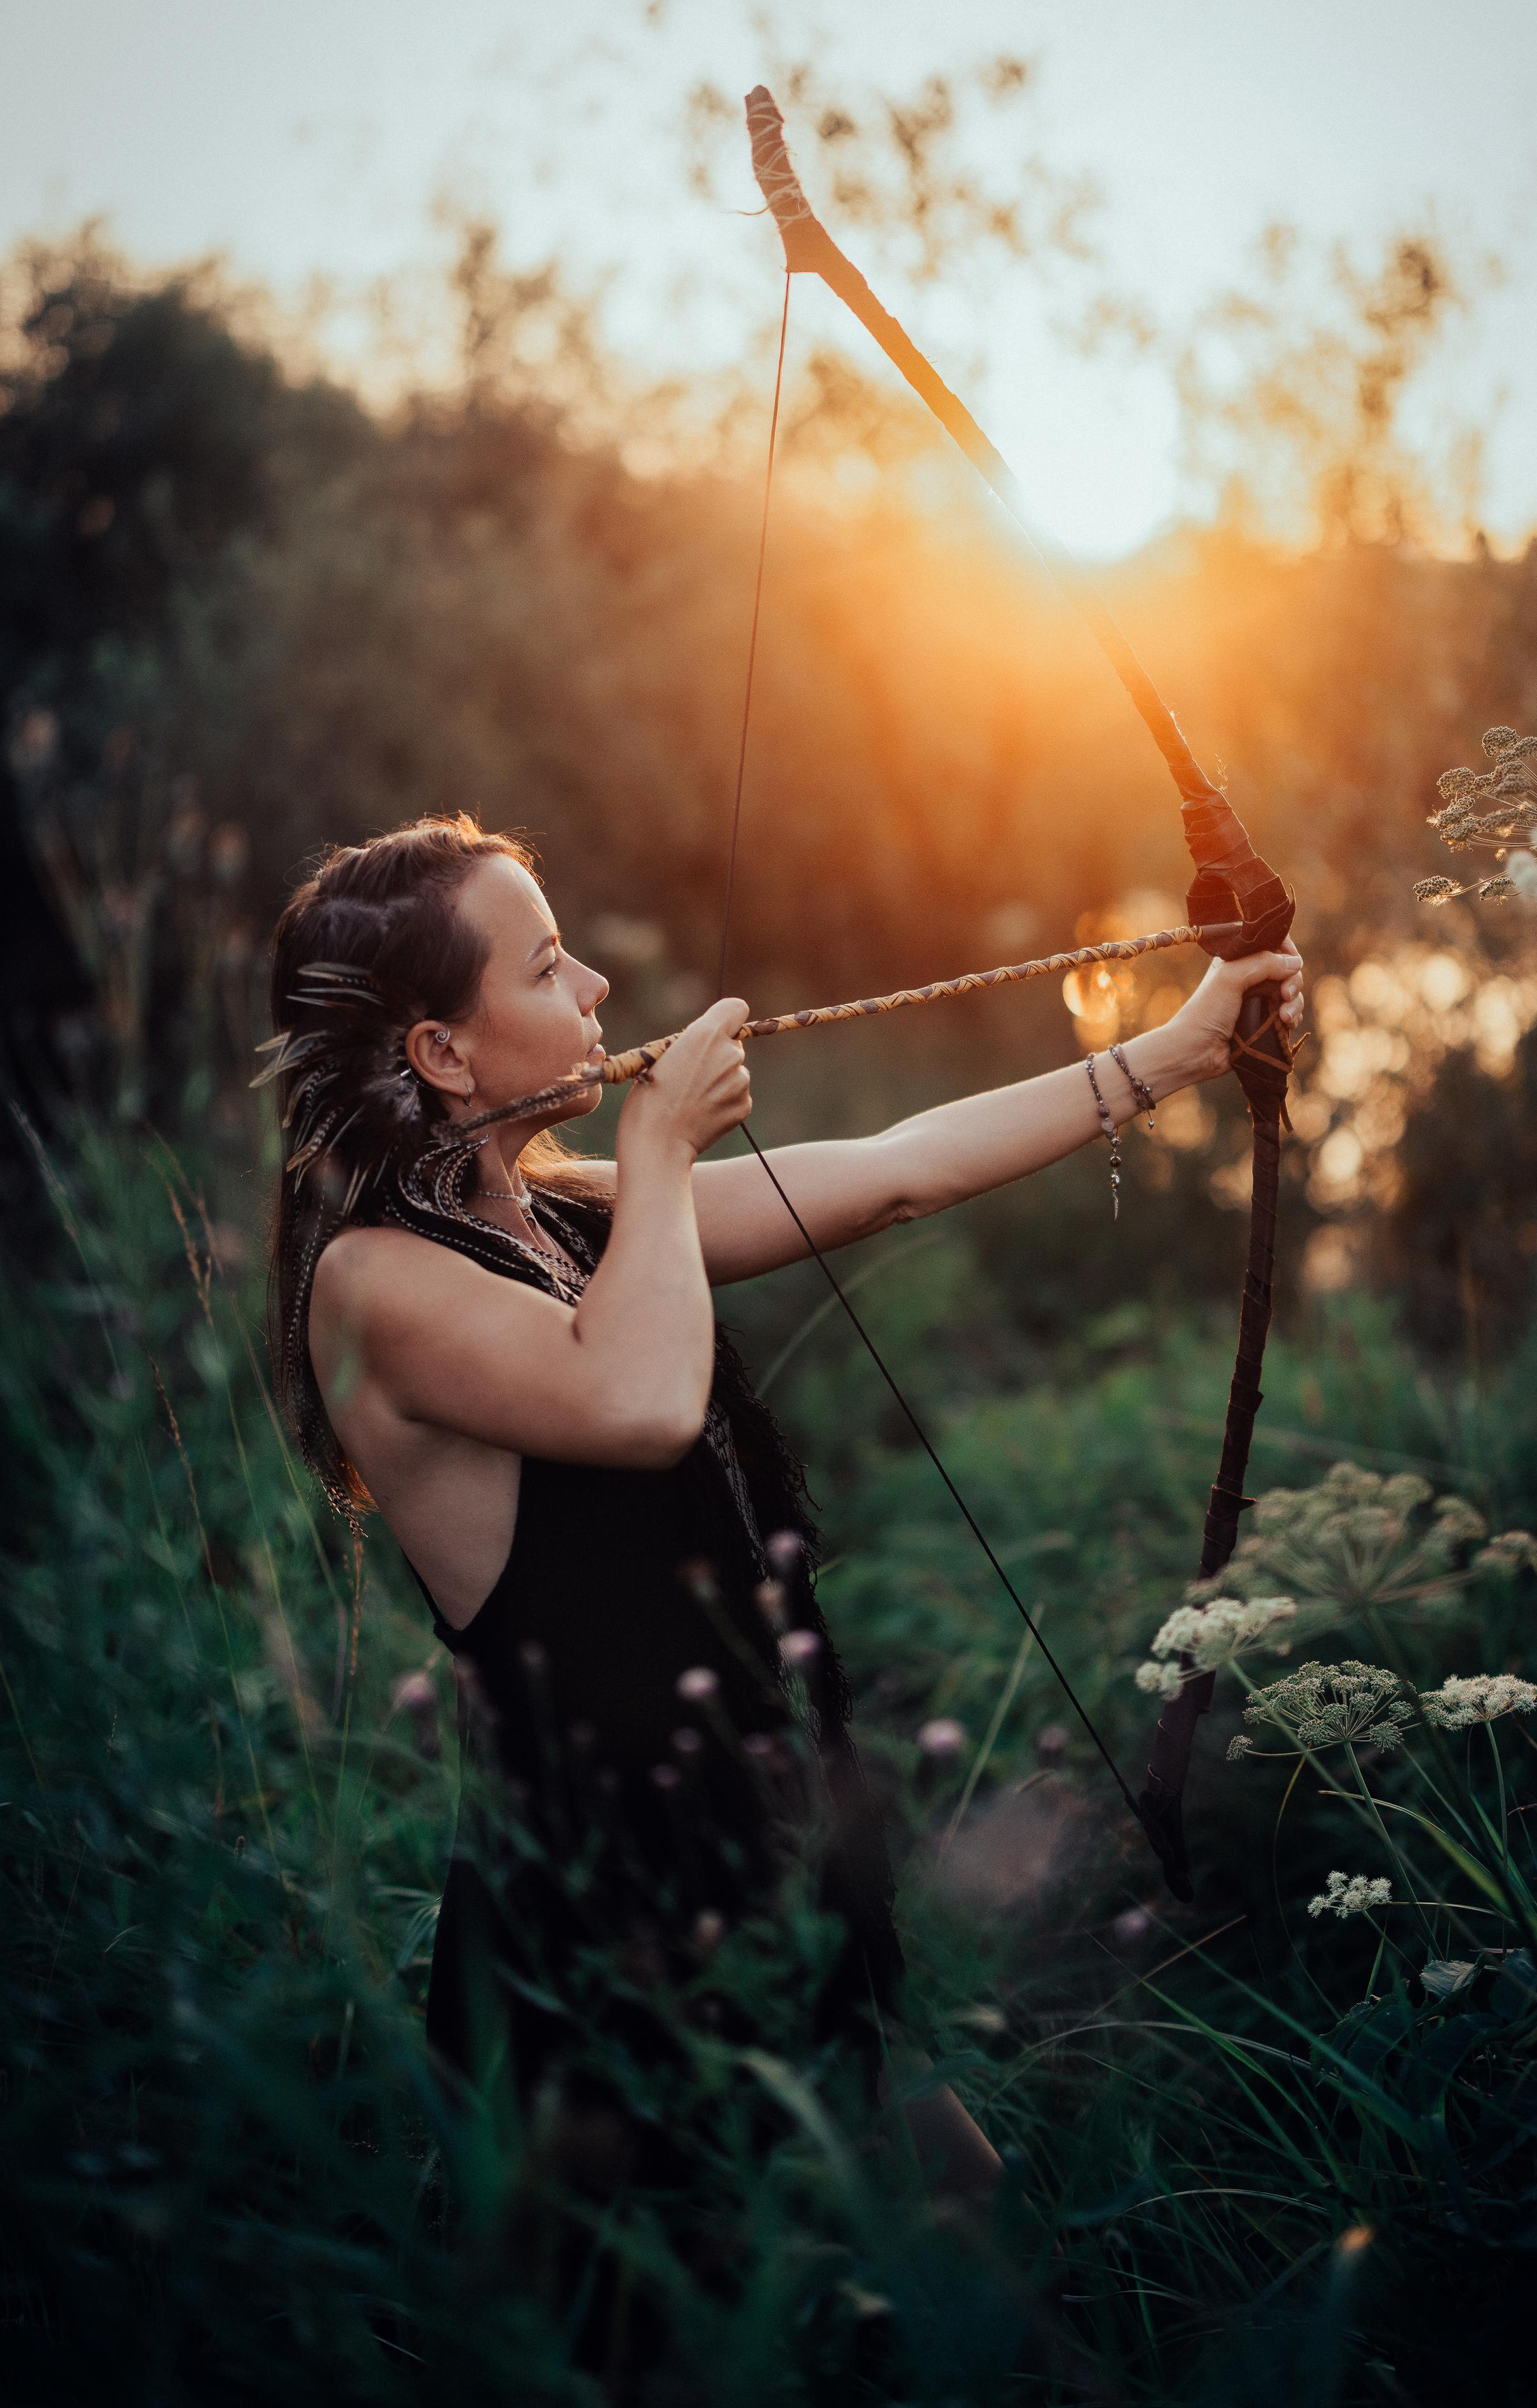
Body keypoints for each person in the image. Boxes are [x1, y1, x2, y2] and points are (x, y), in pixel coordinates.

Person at [263, 812, 1303, 2207]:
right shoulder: (374, 1279)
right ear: (442, 1052)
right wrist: (662, 1143)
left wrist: (1180, 1048)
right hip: (601, 1943)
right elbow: (635, 1397)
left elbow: (895, 1170)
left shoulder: (573, 1218)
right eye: (549, 964)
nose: (597, 988)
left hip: (747, 1868)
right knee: (741, 2298)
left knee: (965, 2232)